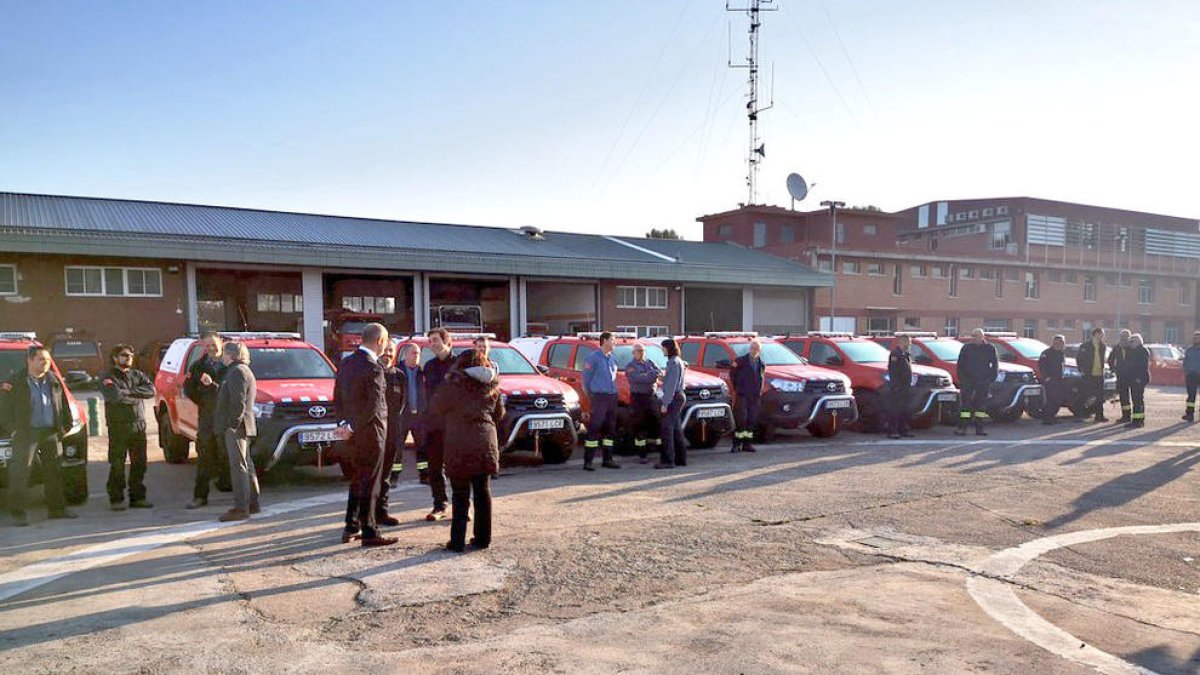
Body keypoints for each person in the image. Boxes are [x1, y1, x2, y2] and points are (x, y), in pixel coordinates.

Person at [428, 350, 504, 552]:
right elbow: (500, 413)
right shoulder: (492, 384)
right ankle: (482, 539)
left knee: (460, 494)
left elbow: (436, 406)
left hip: (459, 442)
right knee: (483, 492)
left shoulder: (453, 384)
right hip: (486, 442)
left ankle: (457, 541)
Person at [335, 323, 398, 547]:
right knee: (371, 483)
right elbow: (372, 406)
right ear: (380, 341)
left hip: (352, 433)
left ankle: (351, 526)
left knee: (357, 479)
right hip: (371, 433)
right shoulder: (374, 367)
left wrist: (343, 423)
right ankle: (370, 532)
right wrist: (351, 425)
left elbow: (338, 397)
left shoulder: (346, 363)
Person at [2, 346, 77, 525]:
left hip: (50, 432)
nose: (46, 364)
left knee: (54, 472)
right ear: (30, 360)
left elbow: (63, 405)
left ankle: (57, 509)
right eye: (41, 360)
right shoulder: (15, 382)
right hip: (26, 433)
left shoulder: (54, 380)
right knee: (21, 473)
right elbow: (4, 410)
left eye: (48, 360)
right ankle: (18, 513)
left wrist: (64, 428)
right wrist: (13, 429)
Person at [100, 343, 155, 510]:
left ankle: (137, 497)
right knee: (117, 464)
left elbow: (150, 391)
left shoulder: (137, 374)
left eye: (130, 355)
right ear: (115, 358)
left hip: (138, 426)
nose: (128, 358)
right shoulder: (107, 377)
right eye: (124, 355)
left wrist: (127, 392)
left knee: (140, 464)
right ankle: (116, 498)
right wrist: (134, 394)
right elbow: (114, 396)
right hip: (118, 427)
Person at [215, 342, 260, 522]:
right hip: (242, 426)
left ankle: (241, 507)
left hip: (238, 427)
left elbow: (238, 403)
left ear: (231, 355)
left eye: (224, 353)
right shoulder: (241, 371)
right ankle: (253, 503)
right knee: (246, 465)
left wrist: (231, 425)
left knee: (239, 466)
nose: (222, 357)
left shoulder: (237, 372)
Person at [185, 332, 231, 509]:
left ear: (221, 343)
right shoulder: (198, 366)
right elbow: (189, 390)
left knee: (230, 457)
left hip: (227, 418)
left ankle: (237, 496)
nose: (211, 348)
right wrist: (204, 402)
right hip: (208, 419)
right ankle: (200, 496)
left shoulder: (231, 365)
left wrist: (213, 386)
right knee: (204, 457)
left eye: (214, 344)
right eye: (207, 346)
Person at [421, 328, 455, 520]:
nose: (432, 344)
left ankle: (462, 506)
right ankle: (439, 505)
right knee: (435, 466)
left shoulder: (458, 364)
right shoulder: (429, 366)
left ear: (446, 341)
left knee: (458, 466)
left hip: (455, 424)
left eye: (435, 340)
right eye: (430, 341)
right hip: (434, 424)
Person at [581, 331, 620, 470]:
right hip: (599, 397)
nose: (614, 342)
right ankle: (588, 461)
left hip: (612, 397)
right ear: (604, 341)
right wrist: (591, 396)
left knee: (610, 429)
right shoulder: (593, 358)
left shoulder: (613, 358)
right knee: (594, 428)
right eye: (612, 340)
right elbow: (585, 381)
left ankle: (608, 459)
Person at [376, 342, 405, 526]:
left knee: (386, 473)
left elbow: (403, 403)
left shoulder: (399, 376)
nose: (387, 354)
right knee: (372, 474)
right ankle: (367, 515)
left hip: (392, 429)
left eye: (391, 351)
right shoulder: (373, 372)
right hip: (375, 430)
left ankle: (382, 512)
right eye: (385, 350)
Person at [391, 343, 425, 485]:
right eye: (413, 353)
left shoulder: (422, 372)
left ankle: (424, 475)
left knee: (422, 446)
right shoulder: (396, 371)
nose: (416, 356)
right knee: (397, 447)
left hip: (419, 416)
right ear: (406, 355)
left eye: (418, 353)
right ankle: (393, 477)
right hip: (402, 415)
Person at [956, 328, 998, 436]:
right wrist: (962, 379)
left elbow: (994, 364)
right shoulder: (966, 348)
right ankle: (962, 428)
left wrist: (991, 378)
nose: (974, 338)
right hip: (968, 381)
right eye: (972, 336)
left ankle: (980, 428)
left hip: (983, 381)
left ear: (982, 337)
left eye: (976, 336)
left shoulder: (990, 348)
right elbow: (960, 364)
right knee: (965, 405)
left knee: (981, 406)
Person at [624, 343, 662, 463]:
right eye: (638, 351)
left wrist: (648, 375)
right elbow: (637, 379)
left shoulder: (649, 362)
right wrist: (650, 375)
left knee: (656, 422)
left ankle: (657, 450)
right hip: (638, 399)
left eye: (642, 350)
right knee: (639, 426)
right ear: (633, 353)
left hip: (651, 397)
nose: (641, 353)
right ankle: (642, 454)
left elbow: (659, 373)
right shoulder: (630, 366)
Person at [657, 338, 688, 469]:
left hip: (674, 397)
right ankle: (681, 459)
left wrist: (665, 404)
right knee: (676, 429)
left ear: (669, 348)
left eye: (663, 347)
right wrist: (663, 378)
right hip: (678, 396)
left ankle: (668, 460)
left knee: (667, 429)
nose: (662, 350)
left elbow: (671, 386)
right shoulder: (677, 361)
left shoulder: (673, 362)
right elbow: (672, 379)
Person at [730, 339, 765, 452]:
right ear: (750, 349)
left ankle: (747, 444)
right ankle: (736, 444)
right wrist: (737, 387)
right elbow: (733, 375)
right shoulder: (740, 361)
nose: (754, 351)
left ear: (759, 350)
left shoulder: (761, 364)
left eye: (757, 349)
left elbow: (761, 379)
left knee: (751, 420)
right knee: (741, 419)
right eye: (753, 348)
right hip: (743, 394)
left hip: (754, 396)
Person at [1075, 327, 1109, 422]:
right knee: (1086, 395)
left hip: (1099, 375)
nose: (1103, 336)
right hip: (1088, 374)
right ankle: (1082, 414)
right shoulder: (1085, 346)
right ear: (1096, 334)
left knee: (1099, 396)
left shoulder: (1103, 346)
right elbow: (1079, 358)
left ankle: (1099, 416)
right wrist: (1081, 370)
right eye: (1101, 334)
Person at [887, 335, 914, 439]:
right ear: (903, 342)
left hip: (906, 386)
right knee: (895, 409)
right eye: (908, 342)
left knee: (905, 409)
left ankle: (904, 429)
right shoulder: (895, 354)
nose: (910, 344)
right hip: (898, 387)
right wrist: (895, 385)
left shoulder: (906, 354)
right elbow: (893, 371)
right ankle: (893, 430)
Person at [1123, 333, 1151, 429]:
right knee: (1136, 399)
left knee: (1137, 400)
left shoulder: (1143, 351)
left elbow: (1143, 366)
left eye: (1132, 341)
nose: (1130, 343)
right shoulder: (1130, 351)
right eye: (1129, 341)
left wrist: (1138, 378)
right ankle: (1138, 420)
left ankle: (1137, 421)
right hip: (1132, 378)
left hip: (1139, 378)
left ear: (1138, 342)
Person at [1038, 335, 1067, 425]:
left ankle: (1052, 416)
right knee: (1051, 399)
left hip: (1059, 379)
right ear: (1054, 342)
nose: (1061, 344)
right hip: (1050, 380)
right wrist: (1046, 377)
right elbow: (1042, 366)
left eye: (1062, 342)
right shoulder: (1047, 353)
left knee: (1058, 399)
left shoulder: (1061, 353)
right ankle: (1047, 418)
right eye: (1059, 342)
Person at [1107, 329, 1134, 424]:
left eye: (1126, 337)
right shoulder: (1117, 347)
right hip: (1121, 375)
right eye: (1122, 337)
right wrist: (1113, 369)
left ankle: (1134, 417)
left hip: (1132, 375)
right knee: (1123, 396)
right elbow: (1110, 359)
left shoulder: (1132, 347)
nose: (1124, 339)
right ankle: (1126, 416)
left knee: (1135, 396)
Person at [1182, 331, 1200, 422]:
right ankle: (1189, 414)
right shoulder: (1189, 350)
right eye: (1195, 338)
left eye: (1198, 337)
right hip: (1191, 375)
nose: (1196, 339)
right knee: (1191, 396)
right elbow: (1185, 361)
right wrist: (1186, 370)